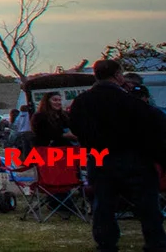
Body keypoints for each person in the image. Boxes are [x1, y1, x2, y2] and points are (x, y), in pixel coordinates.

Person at [67, 57, 166, 252]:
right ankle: (155, 242)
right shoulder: (130, 101)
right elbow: (155, 124)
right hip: (134, 159)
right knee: (147, 206)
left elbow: (76, 127)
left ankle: (106, 243)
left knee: (103, 206)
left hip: (100, 158)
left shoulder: (82, 102)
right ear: (118, 75)